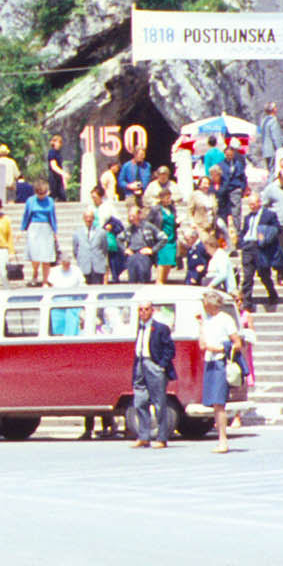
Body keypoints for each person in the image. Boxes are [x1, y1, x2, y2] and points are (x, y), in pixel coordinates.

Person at [130, 301, 175, 449]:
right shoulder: (139, 328)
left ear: (152, 311)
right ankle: (144, 436)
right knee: (140, 401)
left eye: (146, 309)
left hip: (153, 365)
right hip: (140, 364)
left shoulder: (160, 328)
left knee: (159, 403)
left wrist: (161, 366)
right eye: (140, 309)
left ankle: (162, 437)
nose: (143, 312)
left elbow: (170, 349)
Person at [199, 290, 238, 454]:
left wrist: (221, 348)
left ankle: (223, 439)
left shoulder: (225, 319)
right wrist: (200, 326)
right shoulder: (206, 320)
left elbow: (237, 343)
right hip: (210, 361)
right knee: (214, 404)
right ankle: (221, 438)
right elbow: (202, 345)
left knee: (219, 403)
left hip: (220, 362)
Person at [237, 191, 281, 310]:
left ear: (259, 203)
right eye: (249, 204)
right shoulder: (247, 217)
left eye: (253, 204)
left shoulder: (269, 215)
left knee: (264, 274)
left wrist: (265, 235)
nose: (251, 206)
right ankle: (247, 302)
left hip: (260, 247)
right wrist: (241, 241)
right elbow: (244, 231)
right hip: (248, 246)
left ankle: (272, 294)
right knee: (247, 276)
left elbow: (276, 229)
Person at [21, 180, 60, 287]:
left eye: (43, 193)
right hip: (34, 227)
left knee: (46, 256)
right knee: (35, 255)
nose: (42, 196)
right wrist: (22, 229)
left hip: (46, 228)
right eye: (40, 194)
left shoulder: (50, 201)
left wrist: (55, 231)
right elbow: (26, 216)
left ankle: (45, 280)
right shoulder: (30, 201)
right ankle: (35, 271)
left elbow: (53, 216)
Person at [74, 206, 110, 285]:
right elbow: (75, 250)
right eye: (86, 217)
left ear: (93, 219)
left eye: (90, 217)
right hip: (84, 266)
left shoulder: (101, 232)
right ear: (83, 218)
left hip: (97, 267)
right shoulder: (77, 233)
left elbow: (104, 248)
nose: (88, 219)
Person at [154, 189, 180, 284]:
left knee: (169, 263)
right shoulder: (156, 209)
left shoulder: (172, 208)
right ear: (161, 198)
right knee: (162, 262)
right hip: (162, 239)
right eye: (166, 197)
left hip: (172, 238)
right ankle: (159, 281)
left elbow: (173, 221)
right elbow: (149, 223)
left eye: (170, 197)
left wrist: (177, 223)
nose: (169, 199)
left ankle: (164, 280)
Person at [258, 103, 283, 176]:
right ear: (274, 110)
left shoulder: (263, 121)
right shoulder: (273, 121)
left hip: (265, 150)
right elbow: (275, 137)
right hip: (272, 150)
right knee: (273, 172)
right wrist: (280, 150)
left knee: (270, 171)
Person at [45, 134, 70, 200]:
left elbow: (60, 166)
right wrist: (63, 173)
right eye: (57, 142)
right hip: (53, 177)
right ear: (53, 143)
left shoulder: (58, 153)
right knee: (53, 195)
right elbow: (53, 166)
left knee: (62, 196)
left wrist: (63, 179)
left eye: (60, 142)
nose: (59, 144)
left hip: (59, 178)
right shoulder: (52, 152)